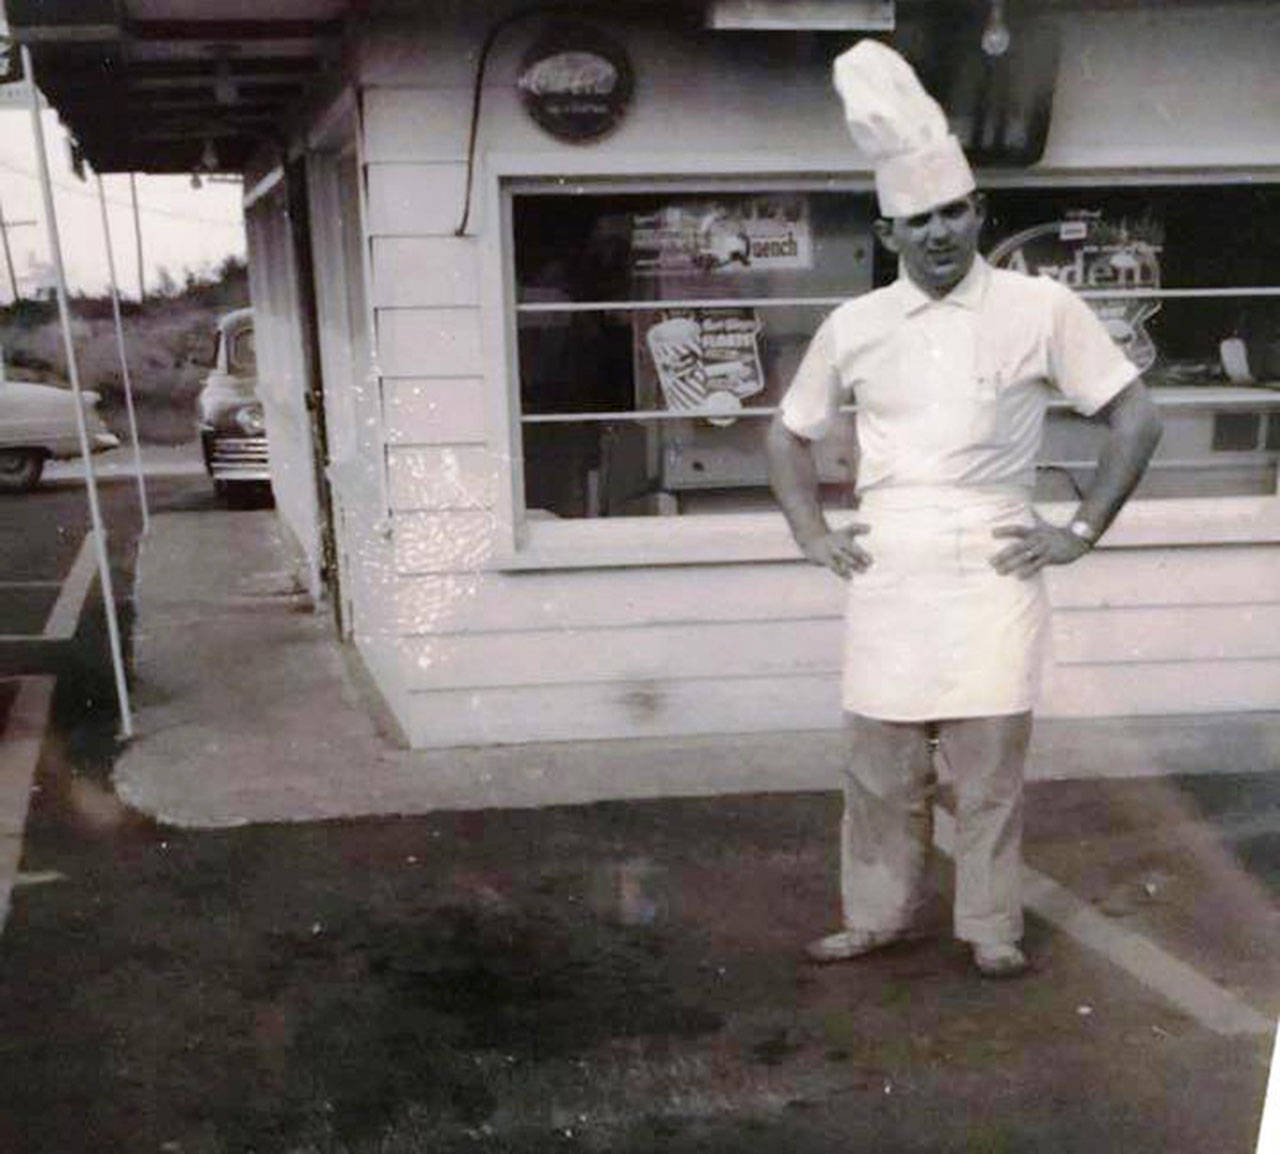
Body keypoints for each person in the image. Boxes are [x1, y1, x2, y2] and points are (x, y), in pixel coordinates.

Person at [766, 40, 1163, 979]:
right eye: (919, 220)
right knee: (880, 771)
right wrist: (813, 534)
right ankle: (876, 916)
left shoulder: (1039, 307)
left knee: (987, 773)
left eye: (953, 212)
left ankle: (990, 927)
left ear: (978, 211)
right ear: (889, 232)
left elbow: (1136, 417)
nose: (939, 233)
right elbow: (786, 435)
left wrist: (1078, 532)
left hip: (993, 559)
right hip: (893, 562)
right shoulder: (855, 326)